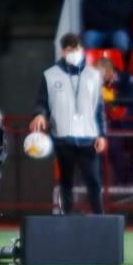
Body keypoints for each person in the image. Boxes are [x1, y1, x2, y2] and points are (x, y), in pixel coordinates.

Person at [29, 33, 107, 214]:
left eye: (78, 49)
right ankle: (67, 219)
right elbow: (42, 102)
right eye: (71, 49)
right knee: (65, 182)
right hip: (62, 137)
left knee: (93, 181)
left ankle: (101, 219)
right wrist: (40, 114)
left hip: (88, 138)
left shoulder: (93, 75)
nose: (75, 53)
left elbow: (99, 108)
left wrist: (102, 134)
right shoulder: (50, 75)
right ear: (63, 51)